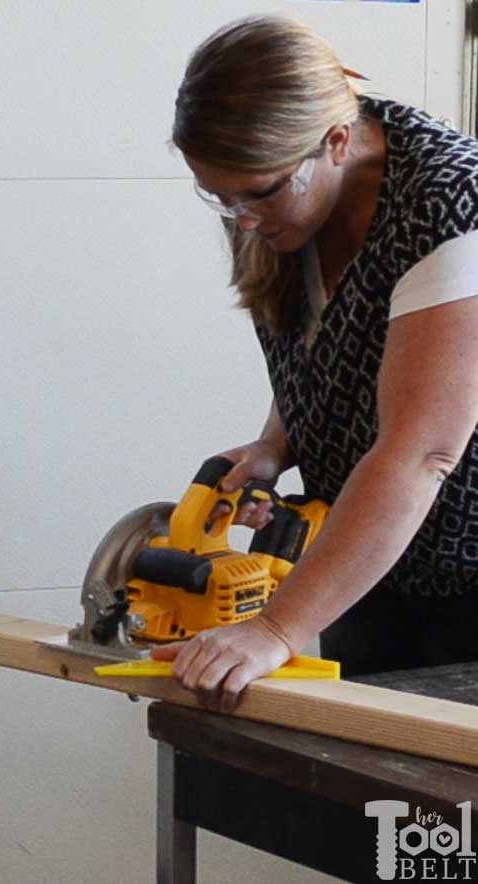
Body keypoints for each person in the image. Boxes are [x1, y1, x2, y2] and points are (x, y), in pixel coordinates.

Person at [150, 14, 478, 711]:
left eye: (257, 193)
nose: (240, 220)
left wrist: (276, 627)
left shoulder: (451, 202)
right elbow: (323, 345)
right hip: (371, 565)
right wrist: (278, 443)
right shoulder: (271, 195)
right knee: (381, 810)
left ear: (334, 142)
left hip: (467, 577)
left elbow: (423, 452)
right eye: (219, 195)